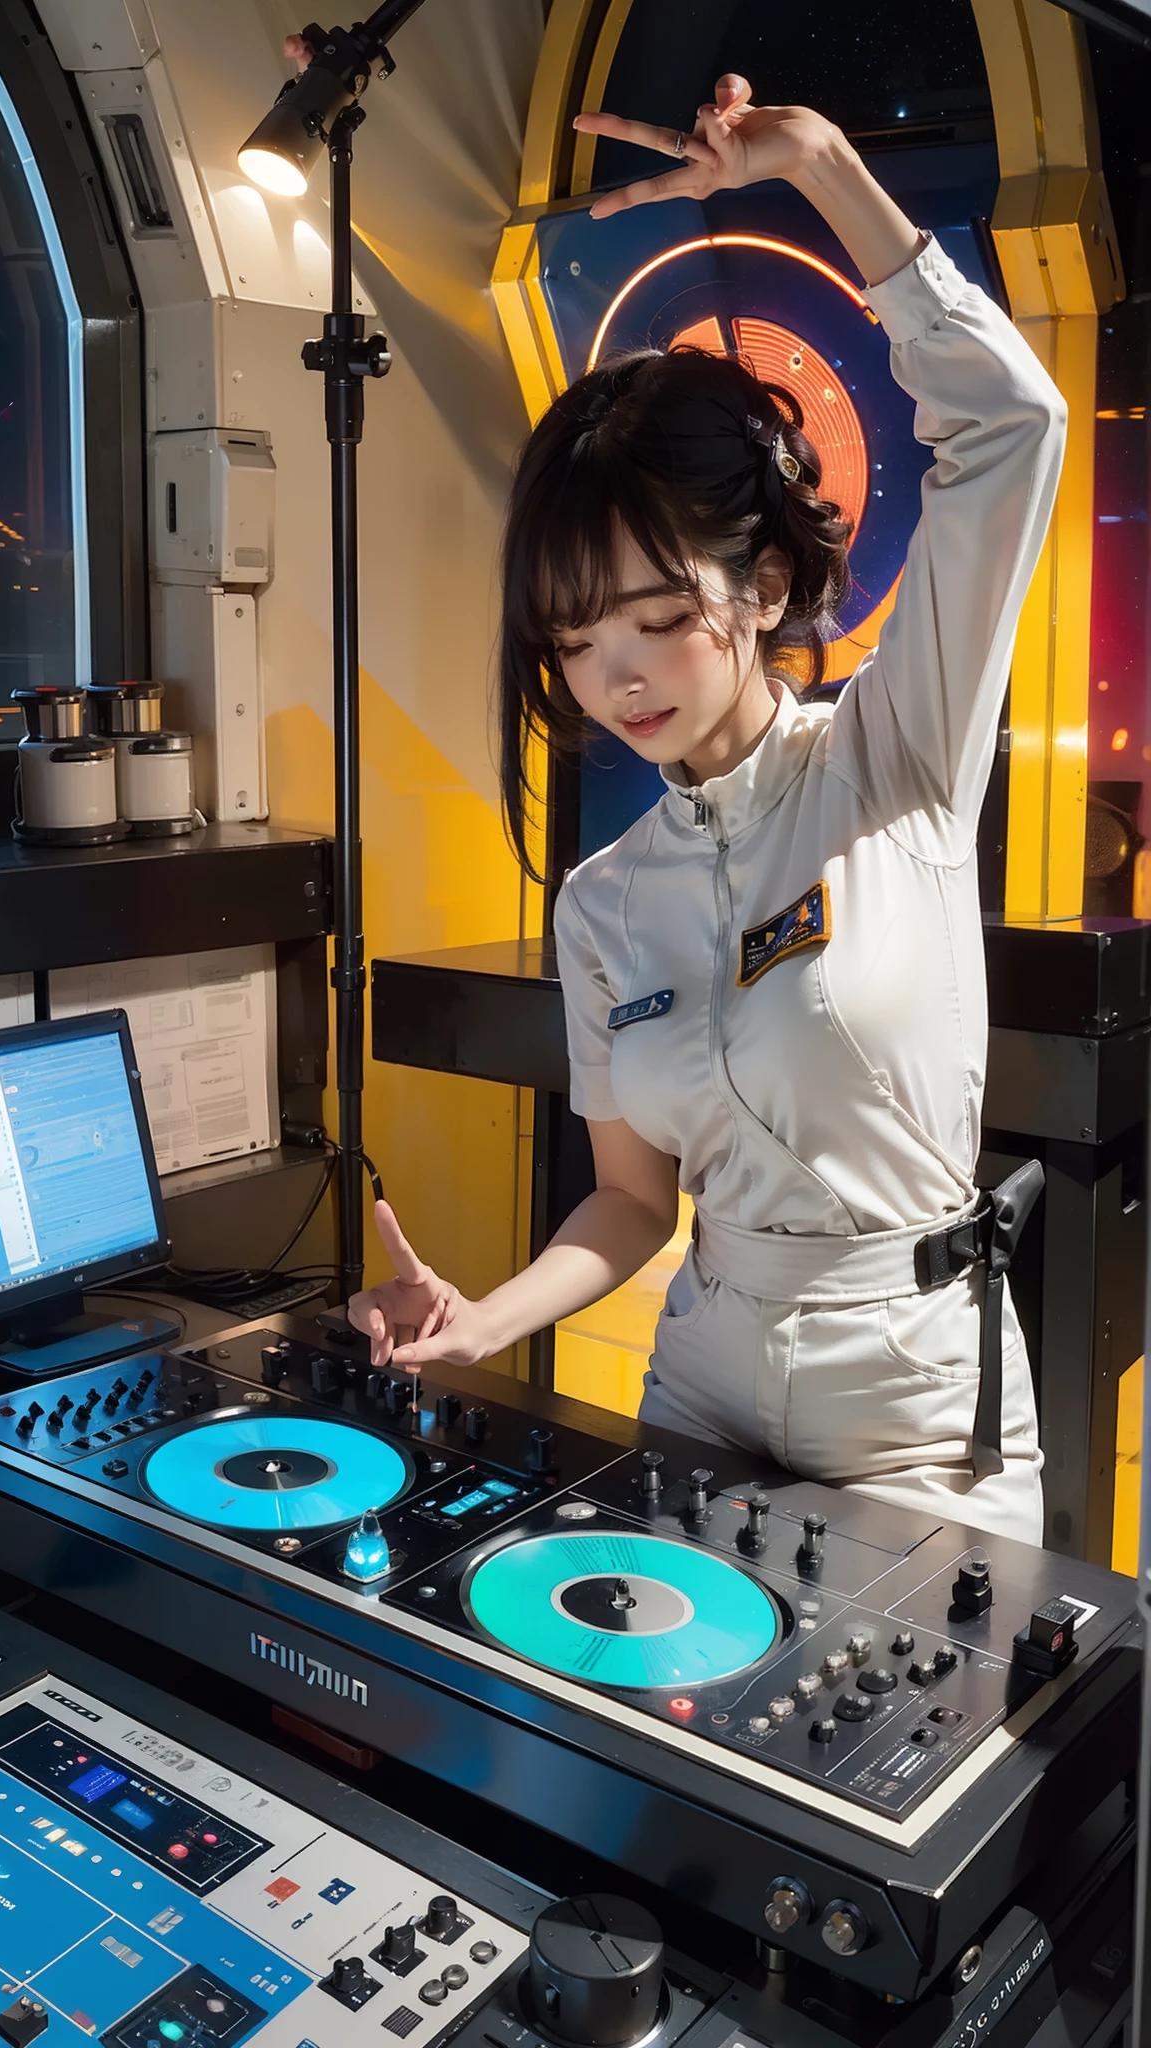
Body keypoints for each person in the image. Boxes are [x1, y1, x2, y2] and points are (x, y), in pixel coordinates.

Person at [349, 75, 1066, 1544]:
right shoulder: (603, 899)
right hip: (700, 1383)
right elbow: (630, 1205)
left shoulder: (897, 760)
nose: (615, 677)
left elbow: (1010, 427)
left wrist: (821, 171)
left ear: (769, 587)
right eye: (572, 639)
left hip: (918, 1409)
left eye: (659, 617)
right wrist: (484, 1317)